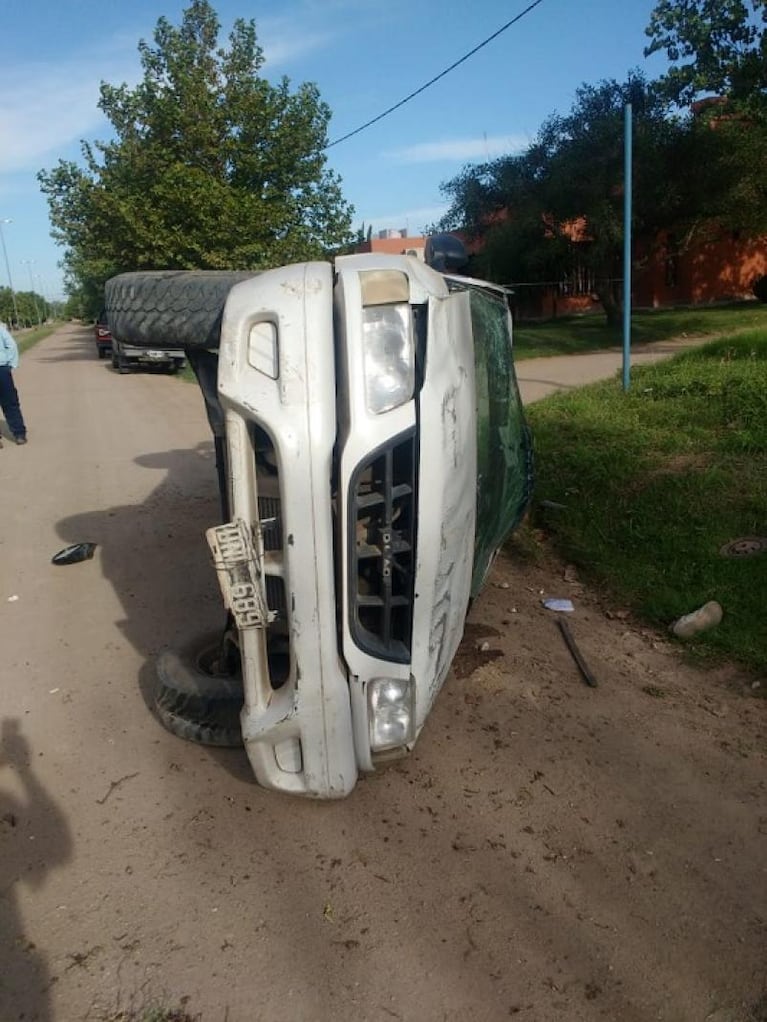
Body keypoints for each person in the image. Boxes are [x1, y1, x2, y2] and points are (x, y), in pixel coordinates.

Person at [0, 321, 27, 446]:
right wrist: (11, 364)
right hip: (2, 369)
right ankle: (19, 434)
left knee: (10, 403)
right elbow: (11, 345)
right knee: (10, 403)